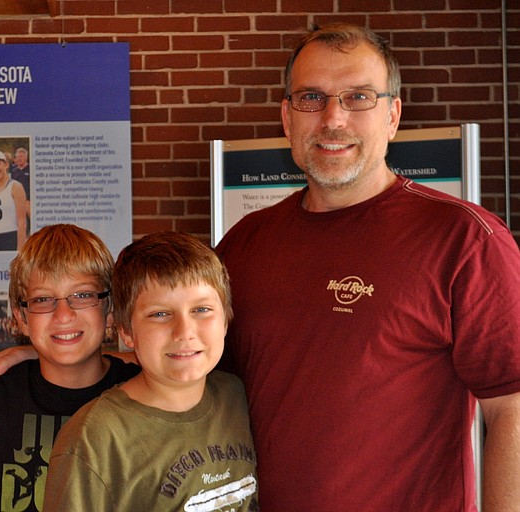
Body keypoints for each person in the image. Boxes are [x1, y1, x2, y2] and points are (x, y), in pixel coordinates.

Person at [214, 23, 520, 511]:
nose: (333, 118)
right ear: (287, 118)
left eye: (358, 97)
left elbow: (512, 405)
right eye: (311, 98)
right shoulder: (243, 245)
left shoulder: (464, 239)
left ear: (393, 116)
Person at [41, 231, 257, 511]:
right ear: (126, 332)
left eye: (202, 309)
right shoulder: (95, 438)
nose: (184, 332)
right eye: (160, 314)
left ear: (226, 320)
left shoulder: (239, 397)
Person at [0, 223, 140, 512]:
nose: (64, 315)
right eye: (43, 299)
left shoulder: (144, 389)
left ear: (110, 311)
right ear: (21, 317)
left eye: (82, 295)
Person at [0, 149, 28, 251]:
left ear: (6, 165)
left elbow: (22, 221)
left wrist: (20, 250)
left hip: (8, 238)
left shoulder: (15, 186)